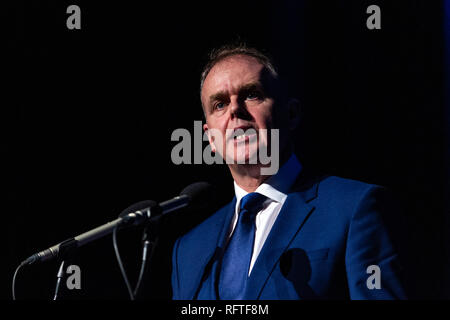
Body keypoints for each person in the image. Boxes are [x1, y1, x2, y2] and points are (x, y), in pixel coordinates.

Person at [170, 43, 407, 300]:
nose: (234, 110)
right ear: (211, 140)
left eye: (252, 94)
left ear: (291, 114)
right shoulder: (188, 249)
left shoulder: (355, 209)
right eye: (219, 104)